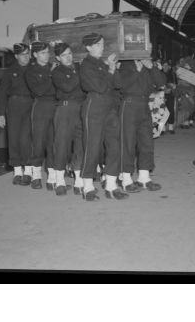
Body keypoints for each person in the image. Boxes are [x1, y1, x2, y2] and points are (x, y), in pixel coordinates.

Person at [80, 33, 126, 201]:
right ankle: (87, 186)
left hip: (109, 108)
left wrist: (113, 69)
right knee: (92, 147)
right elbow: (99, 86)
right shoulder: (86, 65)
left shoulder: (102, 64)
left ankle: (112, 184)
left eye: (102, 44)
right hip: (94, 107)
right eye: (98, 45)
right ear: (88, 47)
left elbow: (119, 84)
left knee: (115, 146)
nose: (102, 48)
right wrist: (110, 70)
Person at [118, 58, 166, 192]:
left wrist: (151, 67)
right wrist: (137, 71)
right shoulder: (125, 64)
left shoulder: (149, 64)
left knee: (147, 142)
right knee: (128, 142)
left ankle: (144, 178)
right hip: (129, 104)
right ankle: (126, 179)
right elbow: (120, 85)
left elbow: (161, 82)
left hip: (145, 105)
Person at [51, 42, 86, 197]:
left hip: (80, 108)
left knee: (80, 144)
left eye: (70, 53)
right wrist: (80, 72)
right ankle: (59, 181)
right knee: (62, 144)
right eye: (64, 55)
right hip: (64, 110)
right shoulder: (57, 71)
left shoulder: (79, 67)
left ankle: (79, 181)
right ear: (58, 57)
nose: (68, 57)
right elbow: (67, 87)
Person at [0, 43, 33, 186]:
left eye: (28, 53)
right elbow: (2, 93)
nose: (26, 56)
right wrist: (0, 114)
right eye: (23, 54)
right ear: (16, 56)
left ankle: (28, 171)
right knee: (14, 139)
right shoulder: (10, 72)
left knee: (26, 139)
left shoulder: (33, 69)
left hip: (30, 105)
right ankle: (17, 171)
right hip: (14, 106)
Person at [24, 41, 57, 190]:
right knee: (38, 142)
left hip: (55, 106)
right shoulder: (31, 70)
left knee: (53, 143)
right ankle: (36, 176)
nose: (47, 55)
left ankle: (52, 178)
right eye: (43, 53)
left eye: (48, 52)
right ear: (35, 54)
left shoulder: (53, 67)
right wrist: (51, 75)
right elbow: (39, 91)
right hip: (40, 107)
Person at [161, 61, 176, 134]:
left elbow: (175, 84)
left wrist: (171, 88)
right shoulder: (159, 73)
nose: (165, 67)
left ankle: (171, 127)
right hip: (161, 94)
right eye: (164, 65)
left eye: (167, 65)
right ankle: (162, 128)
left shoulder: (172, 74)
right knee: (161, 110)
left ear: (169, 67)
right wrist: (163, 89)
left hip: (170, 94)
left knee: (170, 110)